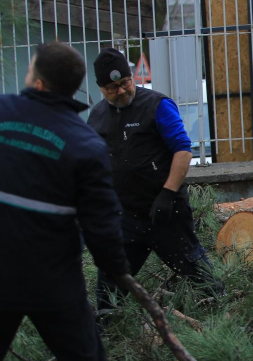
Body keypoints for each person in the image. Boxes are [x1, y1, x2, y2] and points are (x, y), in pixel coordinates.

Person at [0, 42, 129, 361]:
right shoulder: (85, 143)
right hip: (55, 287)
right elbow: (103, 226)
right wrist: (118, 269)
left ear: (36, 78)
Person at [87, 48, 223, 317]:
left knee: (198, 273)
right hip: (126, 218)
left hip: (165, 212)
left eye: (125, 83)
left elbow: (183, 150)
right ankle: (105, 335)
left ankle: (225, 315)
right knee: (111, 283)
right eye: (113, 88)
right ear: (101, 88)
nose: (122, 91)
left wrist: (167, 193)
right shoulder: (97, 118)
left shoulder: (156, 105)